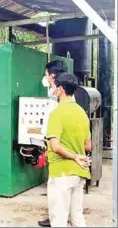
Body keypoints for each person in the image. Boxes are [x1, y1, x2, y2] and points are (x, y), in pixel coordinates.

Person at [46, 73, 91, 227]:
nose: (52, 91)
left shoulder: (56, 114)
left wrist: (73, 156)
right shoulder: (82, 113)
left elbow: (55, 146)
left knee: (58, 219)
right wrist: (76, 151)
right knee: (77, 217)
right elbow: (88, 146)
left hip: (61, 173)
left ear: (60, 89)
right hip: (79, 173)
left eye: (53, 87)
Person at [38, 60, 70, 227]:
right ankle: (56, 216)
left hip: (59, 143)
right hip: (53, 140)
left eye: (46, 74)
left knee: (58, 185)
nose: (44, 77)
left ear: (52, 75)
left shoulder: (60, 96)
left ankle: (58, 219)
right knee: (57, 185)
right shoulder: (54, 93)